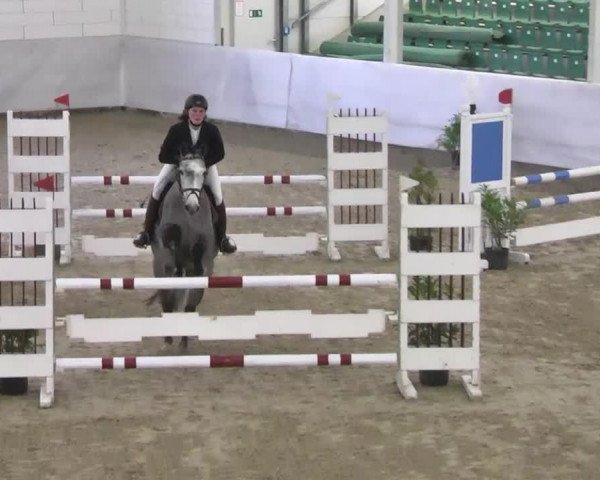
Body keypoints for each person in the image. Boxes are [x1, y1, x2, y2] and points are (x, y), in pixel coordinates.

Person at [132, 94, 237, 254]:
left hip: (204, 167)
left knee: (217, 196)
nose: (197, 115)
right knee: (157, 189)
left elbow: (220, 153)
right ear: (188, 111)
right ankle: (146, 233)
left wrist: (202, 164)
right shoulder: (176, 130)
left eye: (201, 111)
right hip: (177, 166)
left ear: (205, 113)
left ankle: (222, 238)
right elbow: (162, 155)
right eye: (194, 111)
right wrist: (181, 162)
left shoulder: (212, 130)